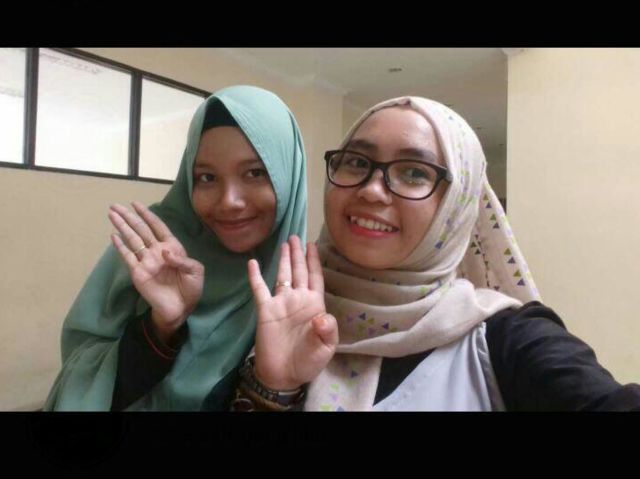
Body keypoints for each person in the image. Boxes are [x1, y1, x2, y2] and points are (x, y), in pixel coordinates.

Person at [242, 95, 640, 411]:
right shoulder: (280, 311)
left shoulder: (508, 338)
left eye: (415, 172)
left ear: (456, 205)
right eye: (357, 162)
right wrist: (274, 388)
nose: (372, 190)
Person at [44, 85, 307, 411]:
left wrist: (277, 385)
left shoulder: (307, 290)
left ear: (288, 176)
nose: (229, 201)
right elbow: (78, 377)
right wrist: (159, 328)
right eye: (207, 177)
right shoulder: (153, 248)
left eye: (255, 173)